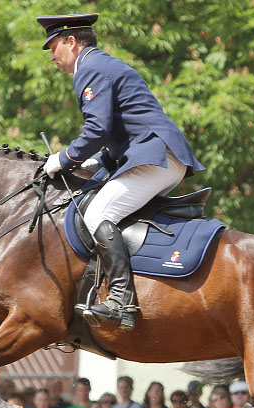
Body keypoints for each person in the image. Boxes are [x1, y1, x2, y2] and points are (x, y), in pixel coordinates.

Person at [38, 13, 205, 329]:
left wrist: (64, 158)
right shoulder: (101, 64)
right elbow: (124, 129)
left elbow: (98, 128)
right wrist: (95, 162)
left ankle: (120, 301)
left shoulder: (90, 68)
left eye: (52, 47)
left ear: (71, 42)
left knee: (97, 214)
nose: (52, 58)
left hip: (156, 156)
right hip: (151, 153)